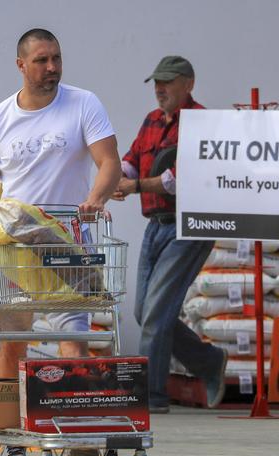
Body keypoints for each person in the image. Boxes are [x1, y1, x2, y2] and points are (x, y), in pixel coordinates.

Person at [0, 28, 121, 456]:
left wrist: (96, 198)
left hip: (69, 245)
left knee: (73, 338)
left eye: (56, 59)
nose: (51, 68)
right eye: (41, 61)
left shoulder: (83, 103)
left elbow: (109, 161)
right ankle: (11, 438)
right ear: (21, 65)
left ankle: (78, 437)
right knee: (14, 342)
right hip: (15, 251)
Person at [113, 56, 227, 413]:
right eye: (156, 82)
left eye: (168, 82)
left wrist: (132, 186)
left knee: (157, 312)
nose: (160, 89)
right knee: (143, 312)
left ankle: (150, 397)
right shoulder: (151, 121)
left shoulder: (200, 122)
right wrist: (116, 175)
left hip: (188, 225)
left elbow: (179, 179)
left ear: (188, 84)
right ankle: (208, 362)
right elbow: (132, 157)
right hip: (156, 225)